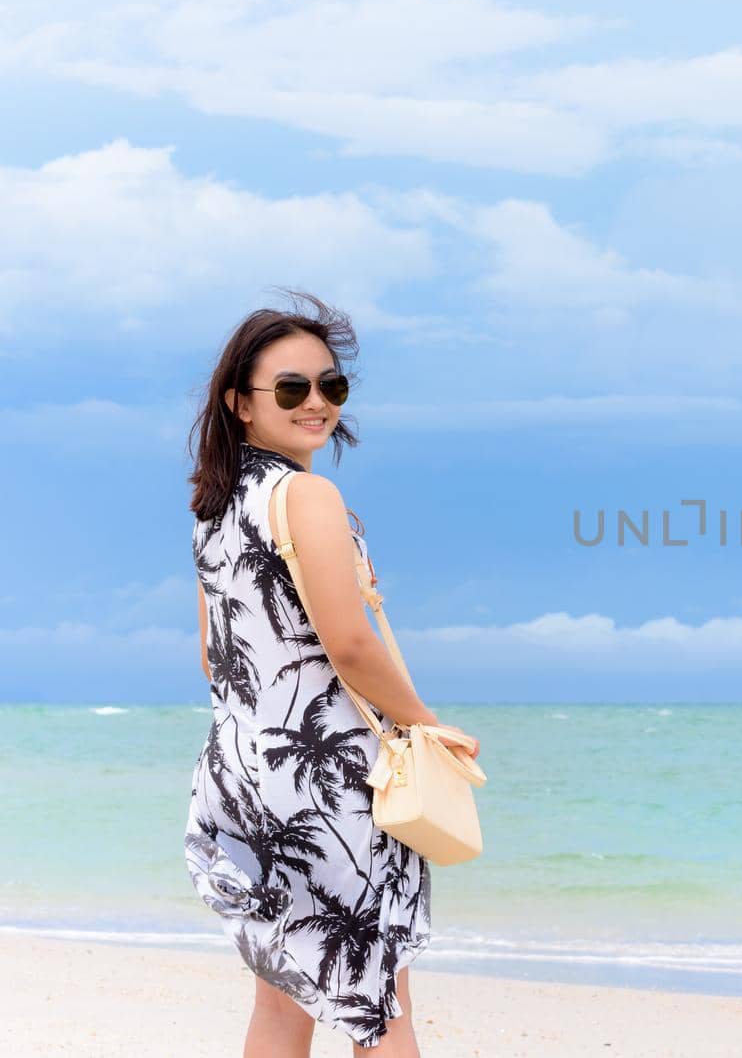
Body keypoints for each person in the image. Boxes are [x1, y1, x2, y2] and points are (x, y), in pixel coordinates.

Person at [183, 290, 479, 1055]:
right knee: (381, 1006)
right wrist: (424, 722)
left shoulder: (214, 510)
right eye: (291, 388)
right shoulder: (306, 495)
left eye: (330, 385)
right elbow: (347, 643)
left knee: (283, 1001)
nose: (316, 403)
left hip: (242, 774)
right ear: (238, 403)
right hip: (328, 784)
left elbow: (216, 658)